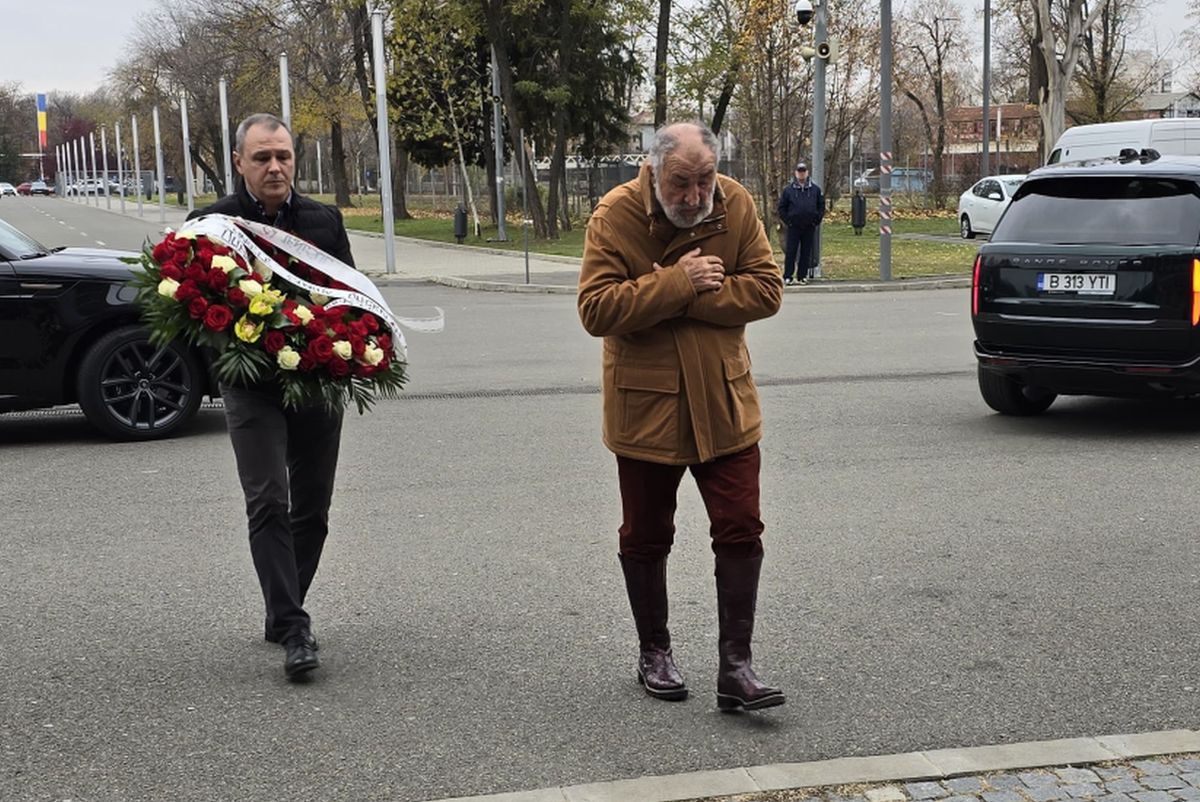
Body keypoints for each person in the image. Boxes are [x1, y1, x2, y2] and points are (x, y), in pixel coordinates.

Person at [577, 122, 785, 712]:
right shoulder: (614, 216)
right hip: (647, 406)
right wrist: (679, 281)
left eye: (704, 182)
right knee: (646, 537)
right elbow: (596, 309)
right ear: (653, 170)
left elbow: (767, 290)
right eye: (682, 183)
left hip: (724, 399)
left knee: (742, 529)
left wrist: (686, 296)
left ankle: (736, 667)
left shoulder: (736, 203)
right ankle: (655, 652)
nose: (696, 197)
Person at [188, 112, 355, 681]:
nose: (275, 166)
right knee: (267, 501)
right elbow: (190, 316)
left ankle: (282, 608)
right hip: (250, 387)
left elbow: (351, 299)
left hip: (315, 383)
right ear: (239, 163)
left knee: (314, 509)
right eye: (262, 157)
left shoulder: (323, 221)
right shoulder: (210, 224)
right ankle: (294, 625)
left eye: (282, 155)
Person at [777, 162, 824, 285]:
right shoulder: (788, 190)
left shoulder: (815, 190)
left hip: (809, 226)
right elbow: (782, 208)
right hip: (794, 226)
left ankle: (802, 276)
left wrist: (816, 220)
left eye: (803, 171)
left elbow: (821, 207)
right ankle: (788, 276)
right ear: (796, 173)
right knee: (791, 251)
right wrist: (788, 221)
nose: (801, 174)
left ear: (807, 173)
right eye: (799, 171)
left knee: (806, 251)